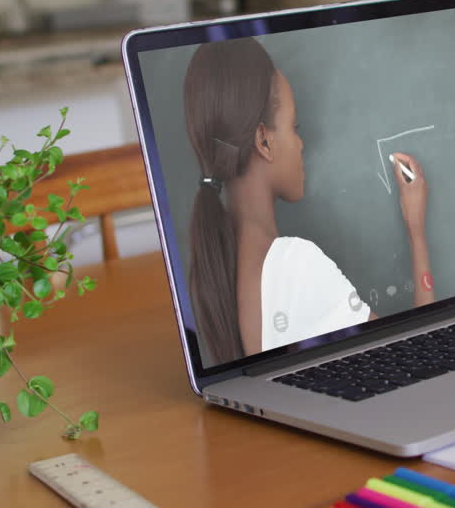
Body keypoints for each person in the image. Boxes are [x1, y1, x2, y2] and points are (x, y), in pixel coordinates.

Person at [184, 37, 435, 364]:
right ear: (263, 141)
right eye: (294, 127)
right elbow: (419, 361)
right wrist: (417, 233)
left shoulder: (224, 262)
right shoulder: (294, 265)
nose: (302, 144)